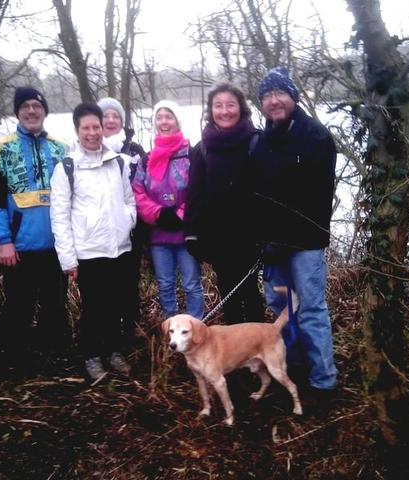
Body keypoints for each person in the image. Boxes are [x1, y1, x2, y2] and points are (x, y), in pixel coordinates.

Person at [249, 67, 338, 397]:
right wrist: (261, 238)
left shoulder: (316, 137)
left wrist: (285, 240)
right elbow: (257, 196)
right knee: (280, 311)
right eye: (267, 96)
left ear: (293, 97)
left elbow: (317, 200)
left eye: (280, 94)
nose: (274, 101)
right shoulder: (262, 141)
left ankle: (323, 381)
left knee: (312, 310)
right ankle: (294, 367)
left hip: (305, 244)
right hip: (271, 247)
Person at [0, 86, 70, 367]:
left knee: (55, 305)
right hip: (18, 247)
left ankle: (55, 356)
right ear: (18, 112)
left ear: (45, 111)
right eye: (25, 107)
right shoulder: (1, 149)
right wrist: (3, 241)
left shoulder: (61, 148)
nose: (31, 111)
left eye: (36, 106)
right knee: (18, 306)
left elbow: (75, 198)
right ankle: (13, 359)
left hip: (56, 246)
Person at [50, 102, 136, 380]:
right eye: (85, 127)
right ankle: (91, 355)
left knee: (116, 304)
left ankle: (113, 351)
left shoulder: (118, 162)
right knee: (93, 308)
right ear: (77, 130)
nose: (92, 133)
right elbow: (60, 216)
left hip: (119, 248)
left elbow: (128, 200)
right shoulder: (67, 168)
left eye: (96, 127)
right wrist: (68, 259)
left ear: (103, 127)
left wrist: (127, 221)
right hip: (88, 252)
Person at [184, 82, 265, 324]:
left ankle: (256, 351)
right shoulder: (203, 148)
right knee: (228, 295)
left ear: (241, 108)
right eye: (218, 106)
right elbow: (194, 194)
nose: (225, 111)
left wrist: (270, 236)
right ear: (210, 111)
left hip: (252, 237)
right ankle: (234, 354)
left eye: (230, 105)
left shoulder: (257, 142)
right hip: (218, 238)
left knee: (250, 293)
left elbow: (270, 191)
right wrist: (191, 234)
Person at [132, 100, 204, 320]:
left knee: (192, 284)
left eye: (169, 117)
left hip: (185, 233)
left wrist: (180, 214)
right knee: (165, 285)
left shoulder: (191, 155)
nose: (164, 121)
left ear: (177, 122)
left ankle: (197, 328)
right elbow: (137, 191)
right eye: (159, 117)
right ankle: (171, 331)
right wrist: (159, 214)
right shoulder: (147, 159)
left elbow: (198, 189)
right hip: (158, 234)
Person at [97, 97, 146, 348]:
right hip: (99, 231)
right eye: (106, 116)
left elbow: (143, 186)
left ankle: (129, 330)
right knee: (103, 285)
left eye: (116, 116)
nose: (111, 120)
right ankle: (105, 335)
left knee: (128, 281)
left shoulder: (135, 150)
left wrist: (133, 219)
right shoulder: (87, 150)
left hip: (131, 228)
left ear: (122, 121)